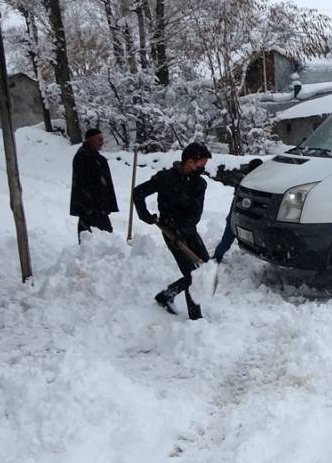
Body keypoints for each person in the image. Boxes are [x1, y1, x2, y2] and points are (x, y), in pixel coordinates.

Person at [133, 142, 212, 320]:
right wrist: (144, 215)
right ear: (190, 162)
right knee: (193, 275)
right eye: (202, 164)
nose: (203, 167)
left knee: (206, 267)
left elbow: (195, 213)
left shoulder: (199, 184)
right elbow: (138, 192)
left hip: (188, 230)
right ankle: (195, 318)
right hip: (169, 231)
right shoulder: (165, 178)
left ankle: (167, 295)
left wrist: (184, 230)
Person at [69, 128, 118, 241]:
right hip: (90, 208)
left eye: (102, 139)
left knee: (105, 240)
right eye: (99, 139)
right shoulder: (83, 157)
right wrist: (90, 205)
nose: (102, 142)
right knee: (92, 240)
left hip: (99, 208)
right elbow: (83, 184)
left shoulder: (98, 158)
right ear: (91, 140)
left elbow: (105, 185)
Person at [211, 158, 263, 262]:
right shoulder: (243, 177)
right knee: (230, 231)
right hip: (238, 207)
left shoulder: (260, 177)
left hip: (250, 209)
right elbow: (240, 178)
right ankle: (217, 257)